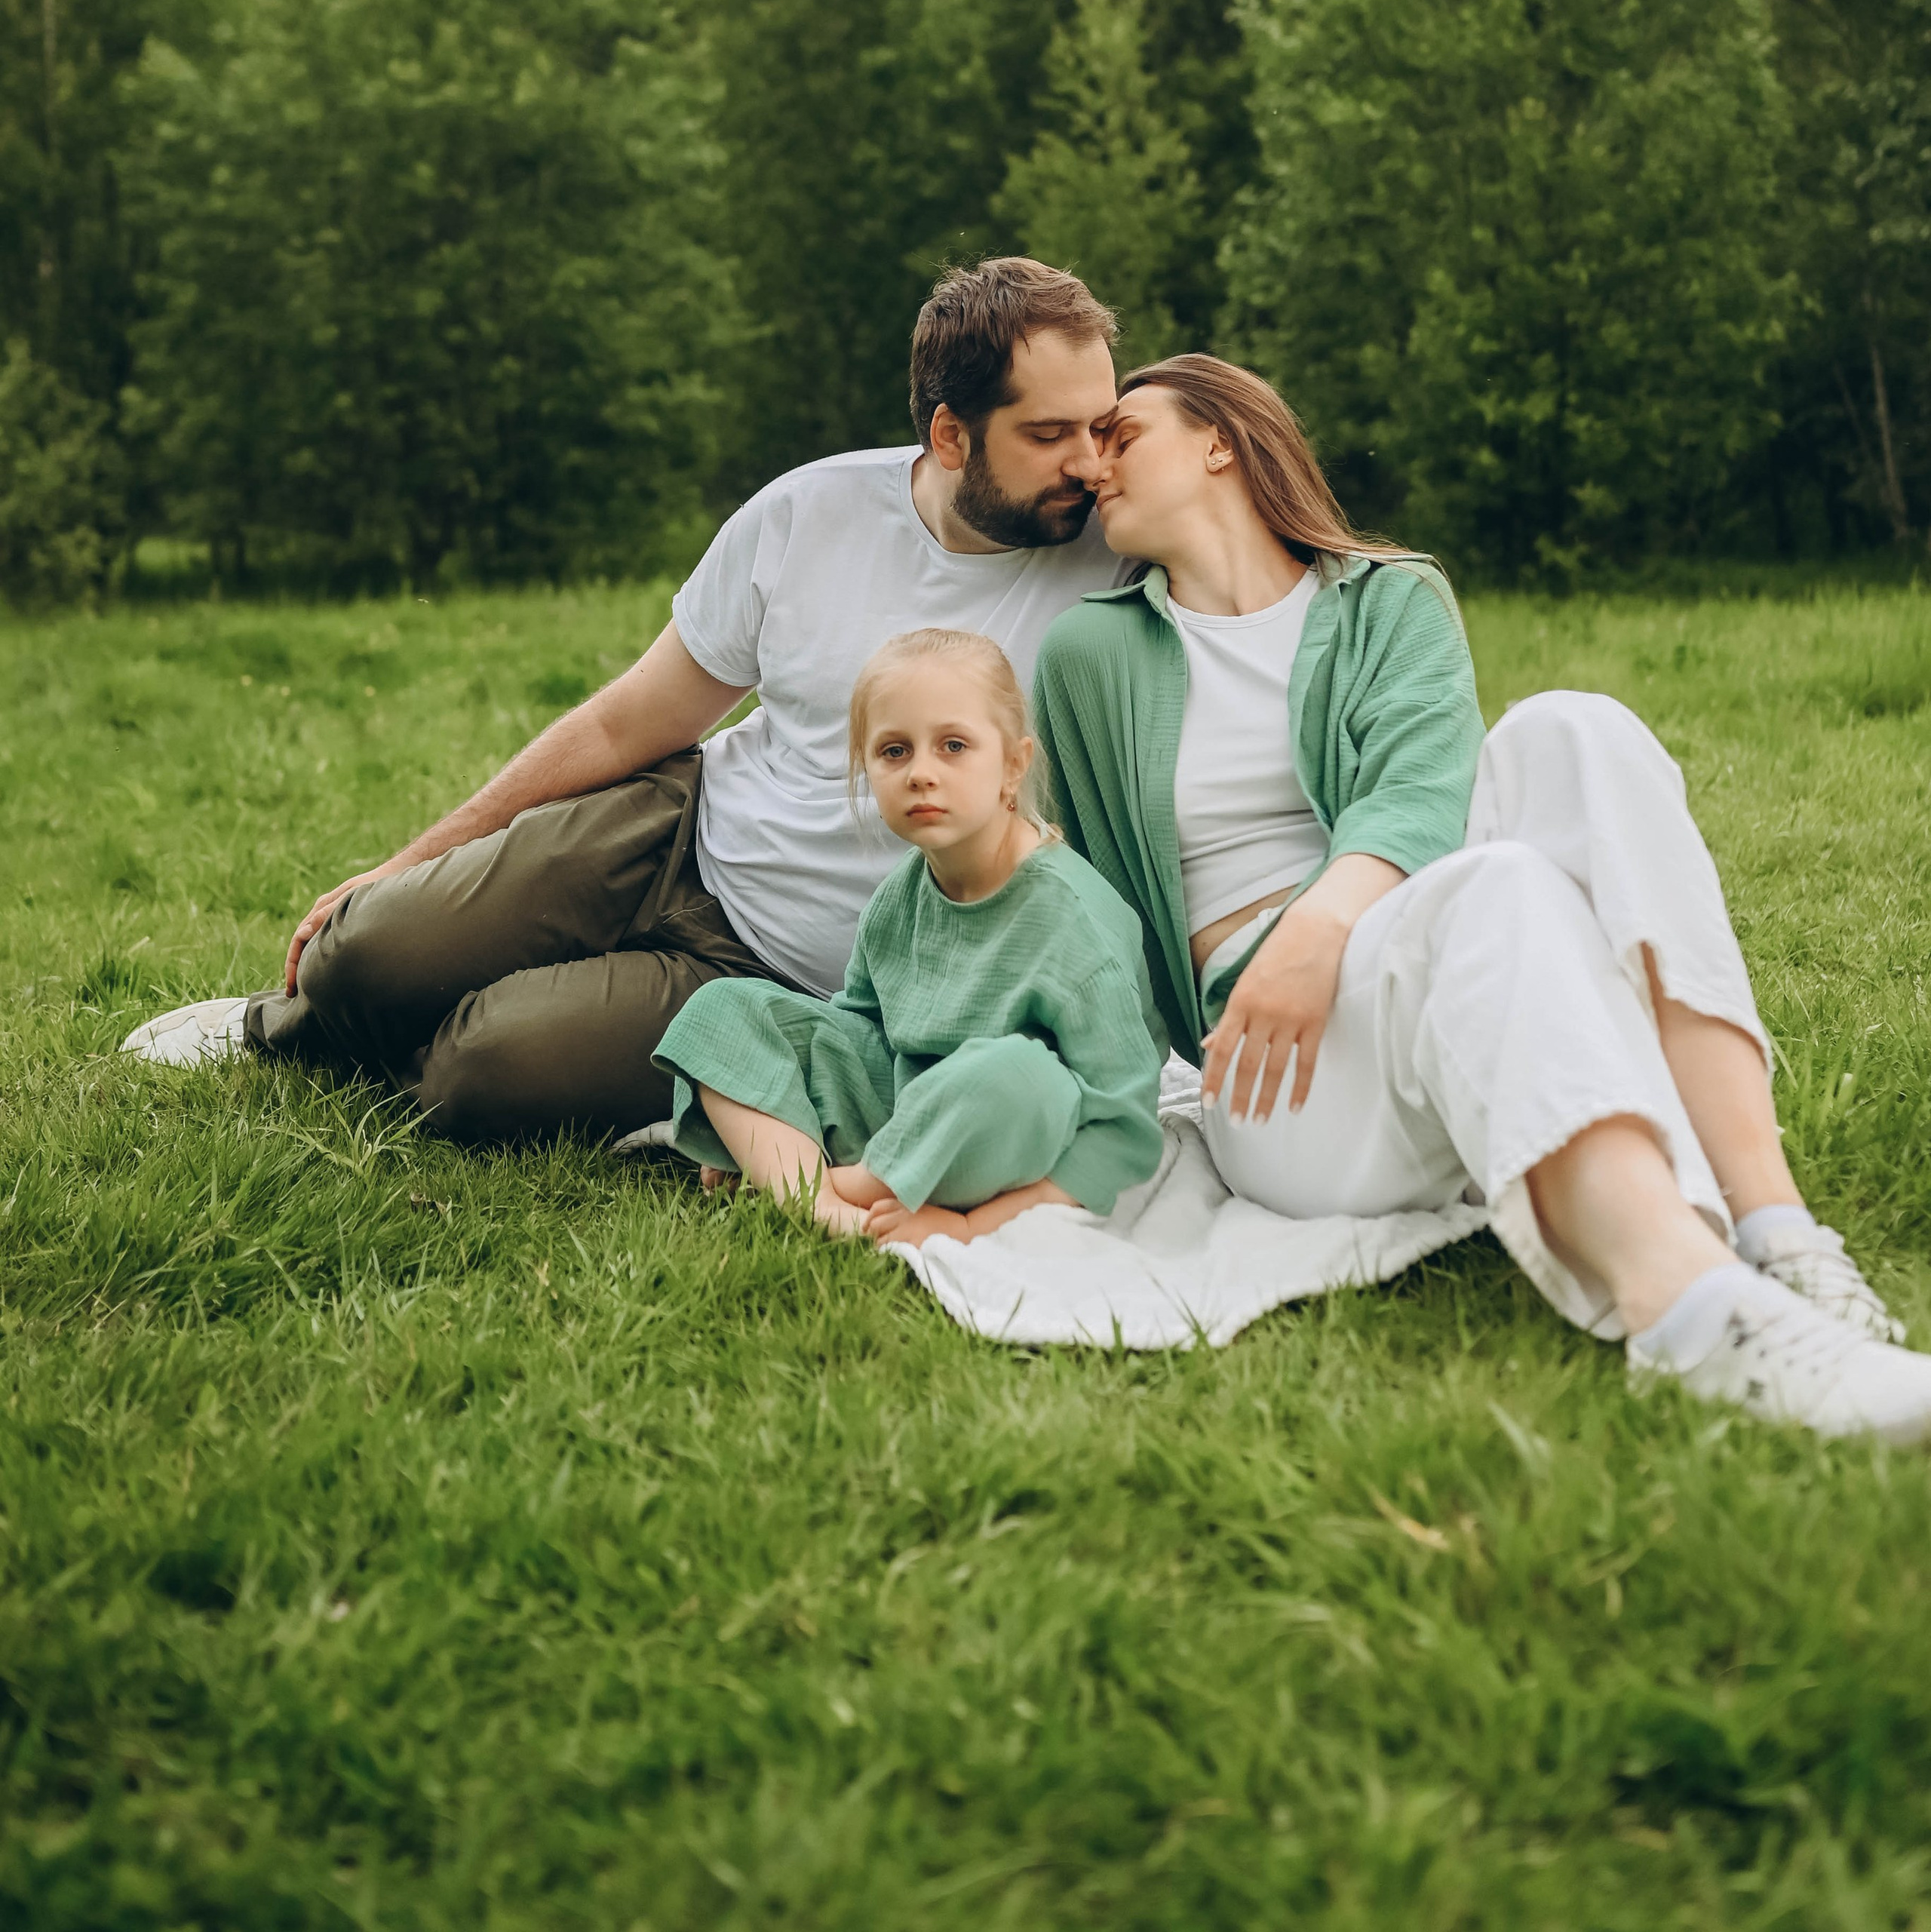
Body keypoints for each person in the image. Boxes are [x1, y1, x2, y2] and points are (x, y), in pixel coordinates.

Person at [1033, 354, 1931, 1445]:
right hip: (1281, 1073)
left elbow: (1421, 790)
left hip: (1426, 947)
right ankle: (1697, 1317)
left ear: (1219, 439)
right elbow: (1100, 902)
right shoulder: (1090, 652)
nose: (1091, 464)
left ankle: (1780, 1229)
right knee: (1491, 882)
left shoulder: (1390, 596)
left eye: (1121, 433)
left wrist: (1322, 921)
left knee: (1573, 724)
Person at [123, 260, 1130, 1143]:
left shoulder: (1121, 564)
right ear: (951, 433)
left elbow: (1263, 564)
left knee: (481, 1076)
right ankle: (279, 1022)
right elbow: (627, 718)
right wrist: (410, 860)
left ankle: (559, 1061)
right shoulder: (808, 511)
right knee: (367, 951)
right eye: (1049, 433)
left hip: (779, 975)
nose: (1090, 461)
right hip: (670, 830)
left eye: (1101, 423)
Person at [657, 628, 1163, 1243]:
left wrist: (973, 1223)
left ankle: (830, 1188)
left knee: (1020, 1072)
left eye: (953, 745)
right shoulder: (904, 892)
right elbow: (856, 1027)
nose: (921, 772)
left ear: (1013, 764)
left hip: (1004, 1132)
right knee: (724, 1007)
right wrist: (765, 1091)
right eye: (894, 751)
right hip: (904, 1104)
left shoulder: (1074, 921)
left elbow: (1124, 1127)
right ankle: (817, 1199)